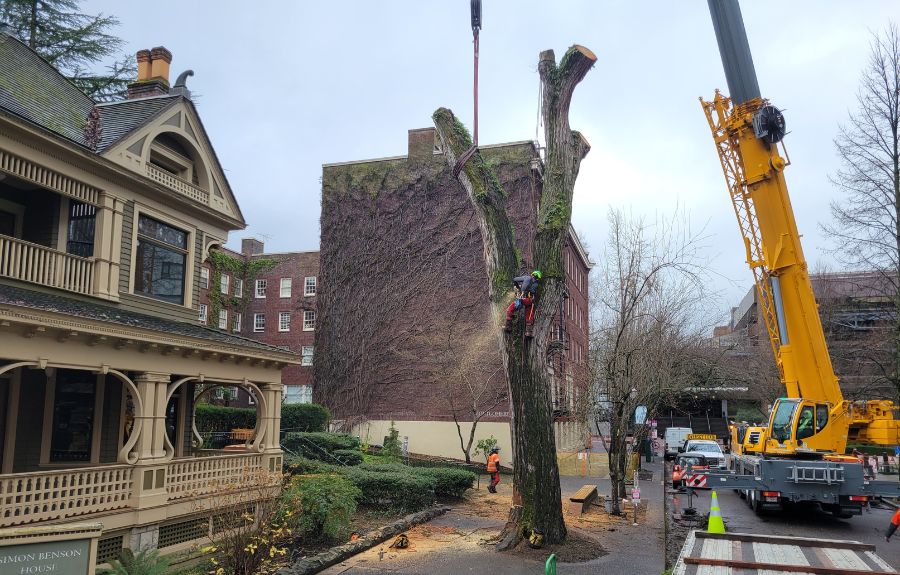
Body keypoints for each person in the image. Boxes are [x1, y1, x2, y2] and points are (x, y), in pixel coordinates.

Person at [504, 270, 542, 337]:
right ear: (538, 278)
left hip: (522, 299)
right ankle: (528, 332)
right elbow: (532, 290)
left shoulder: (527, 278)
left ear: (532, 274)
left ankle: (508, 327)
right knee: (529, 315)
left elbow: (515, 279)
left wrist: (520, 289)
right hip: (529, 300)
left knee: (510, 309)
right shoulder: (536, 283)